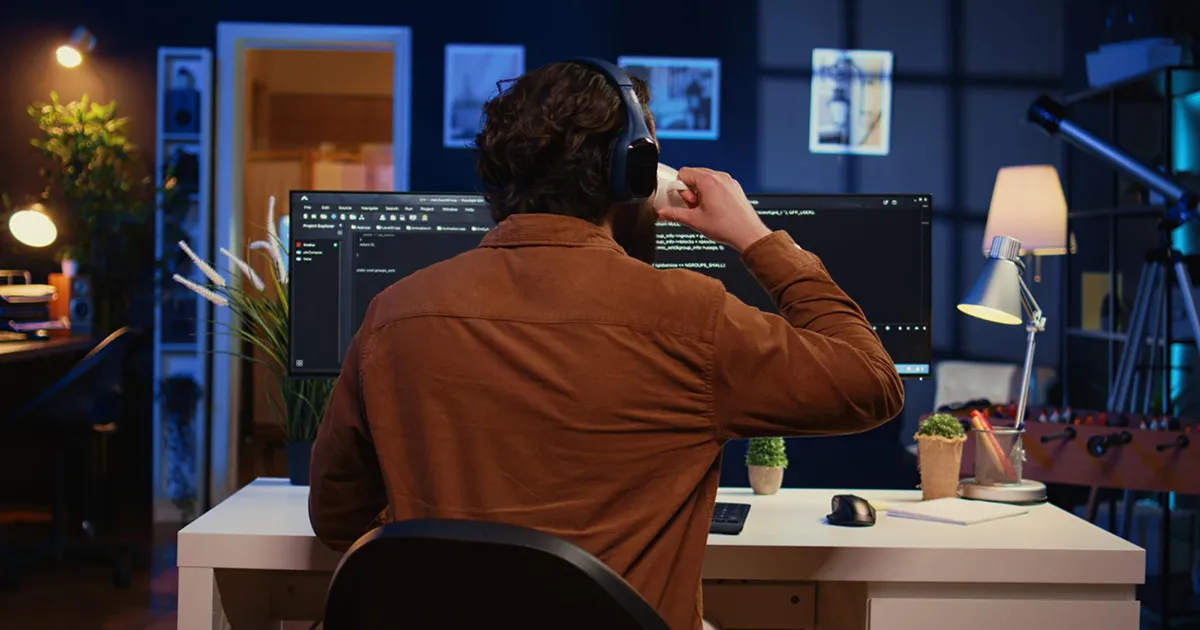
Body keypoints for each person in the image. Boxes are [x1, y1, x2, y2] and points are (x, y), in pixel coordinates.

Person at [309, 60, 904, 630]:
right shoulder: (691, 318)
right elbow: (871, 382)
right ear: (635, 175)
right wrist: (755, 237)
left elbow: (337, 516)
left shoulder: (393, 315)